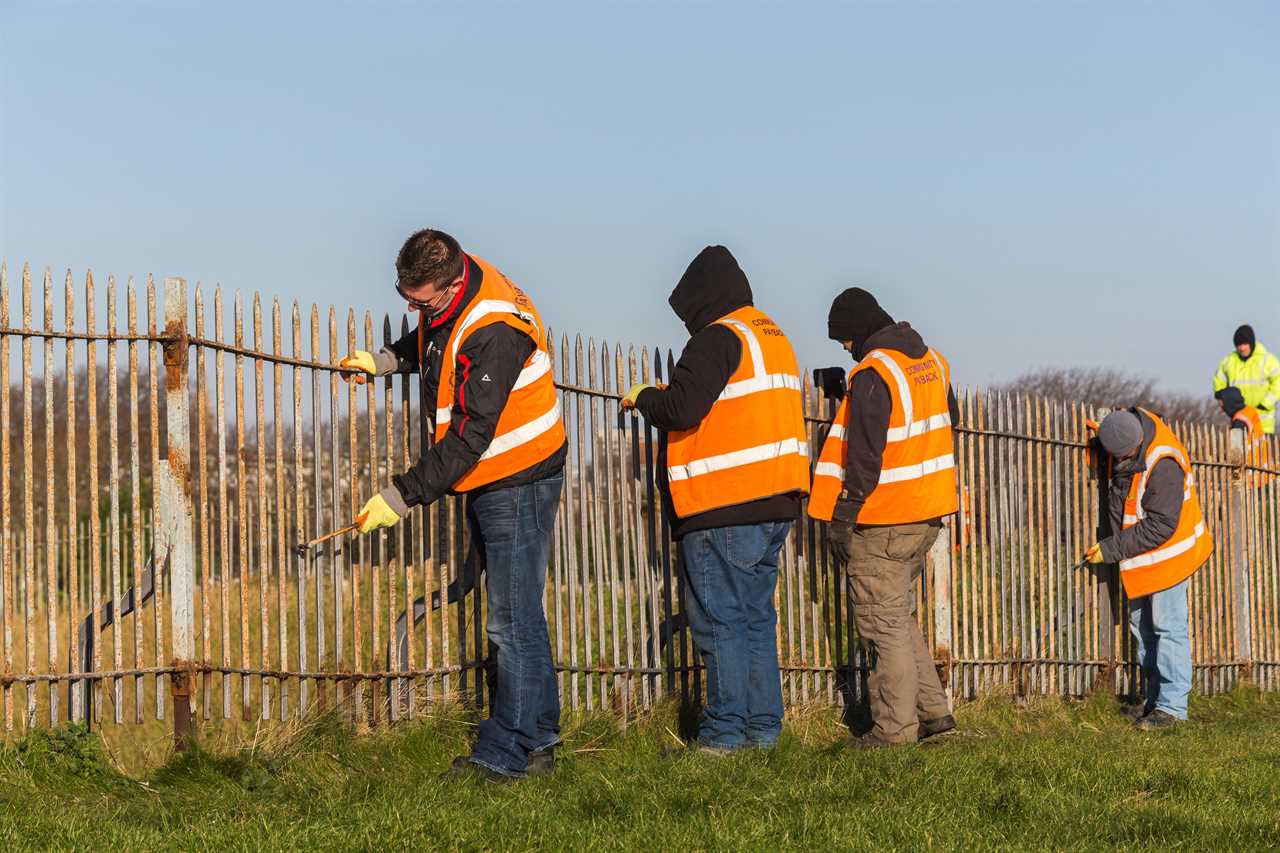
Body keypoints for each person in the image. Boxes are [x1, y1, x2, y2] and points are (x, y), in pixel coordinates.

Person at [340, 229, 567, 782]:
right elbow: (436, 339)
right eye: (405, 297)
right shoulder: (454, 291)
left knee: (509, 621)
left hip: (519, 474)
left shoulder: (493, 327)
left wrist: (400, 494)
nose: (412, 308)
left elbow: (469, 437)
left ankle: (505, 755)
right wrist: (388, 360)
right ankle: (538, 743)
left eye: (419, 301)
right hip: (496, 474)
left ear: (450, 282)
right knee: (521, 611)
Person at [621, 245, 810, 754]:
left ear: (703, 301)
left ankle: (724, 736)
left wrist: (645, 398)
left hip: (723, 504)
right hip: (775, 502)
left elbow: (683, 407)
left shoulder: (718, 338)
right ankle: (763, 732)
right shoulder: (771, 337)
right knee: (755, 619)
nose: (689, 327)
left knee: (719, 621)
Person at [808, 288, 958, 747]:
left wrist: (842, 519)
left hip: (884, 518)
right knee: (896, 617)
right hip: (926, 513)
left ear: (859, 331)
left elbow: (866, 457)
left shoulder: (875, 374)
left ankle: (893, 731)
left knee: (880, 624)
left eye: (846, 341)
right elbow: (936, 421)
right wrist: (850, 393)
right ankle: (934, 714)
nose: (847, 349)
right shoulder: (930, 362)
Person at [1085, 408, 1214, 730]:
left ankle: (1173, 708)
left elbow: (1160, 526)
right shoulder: (1125, 434)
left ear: (1137, 444)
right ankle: (1153, 700)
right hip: (1142, 558)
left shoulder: (1163, 464)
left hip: (1171, 555)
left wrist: (1111, 549)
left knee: (1168, 628)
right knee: (1142, 626)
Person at [1213, 325, 1280, 434]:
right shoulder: (1228, 362)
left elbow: (1278, 385)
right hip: (1240, 421)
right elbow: (1218, 385)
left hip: (1264, 425)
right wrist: (1225, 402)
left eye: (1245, 344)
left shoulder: (1269, 361)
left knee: (1265, 451)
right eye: (1238, 345)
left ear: (1252, 343)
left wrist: (1265, 404)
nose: (1242, 348)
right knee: (1238, 449)